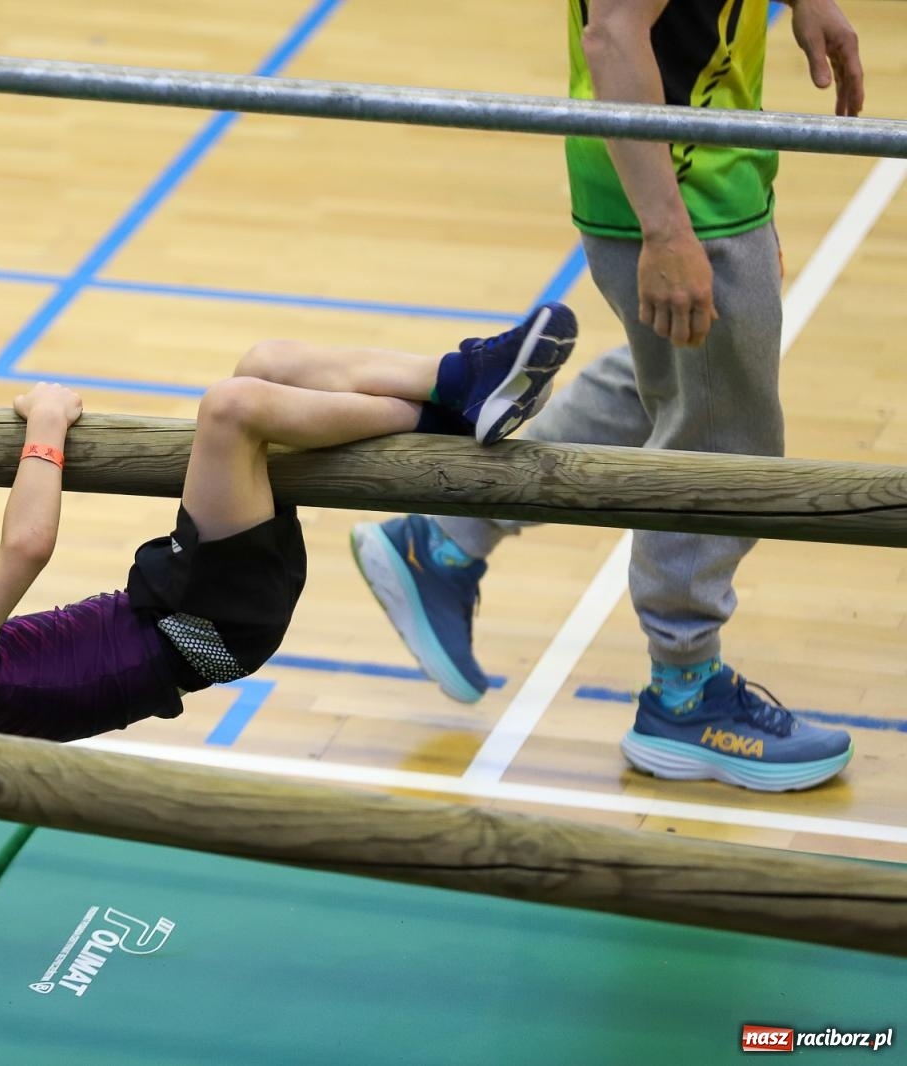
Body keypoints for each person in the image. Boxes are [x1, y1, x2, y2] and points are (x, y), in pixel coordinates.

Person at [352, 0, 864, 791]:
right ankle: (684, 693)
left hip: (695, 163)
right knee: (724, 440)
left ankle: (445, 539)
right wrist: (669, 232)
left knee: (662, 387)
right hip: (682, 184)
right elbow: (615, 31)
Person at [0, 304, 576, 742]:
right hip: (201, 626)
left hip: (175, 604)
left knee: (263, 365)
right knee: (231, 410)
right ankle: (443, 412)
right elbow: (25, 545)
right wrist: (46, 425)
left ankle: (457, 381)